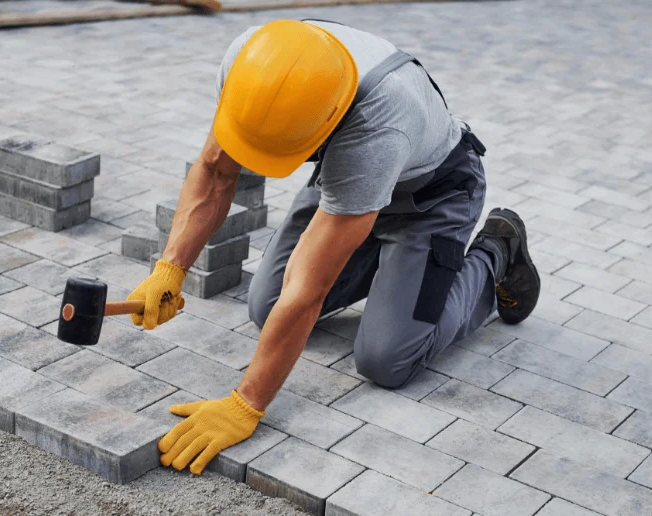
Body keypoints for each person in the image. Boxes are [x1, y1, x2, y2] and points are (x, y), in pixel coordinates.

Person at [127, 18, 541, 475]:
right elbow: (217, 168)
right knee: (266, 307)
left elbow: (308, 291)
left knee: (386, 359)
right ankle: (388, 268)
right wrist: (171, 267)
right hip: (347, 185)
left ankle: (495, 251)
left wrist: (246, 404)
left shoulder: (378, 125)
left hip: (430, 198)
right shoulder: (255, 58)